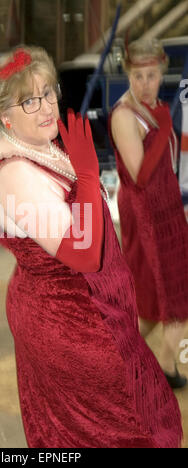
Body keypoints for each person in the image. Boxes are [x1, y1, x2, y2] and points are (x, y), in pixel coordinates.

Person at [0, 45, 183, 448]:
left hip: (84, 306)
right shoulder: (15, 175)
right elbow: (83, 252)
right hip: (68, 320)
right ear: (5, 116)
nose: (45, 107)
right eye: (29, 100)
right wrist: (90, 176)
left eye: (48, 92)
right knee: (112, 427)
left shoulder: (38, 145)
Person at [109, 39, 188, 389]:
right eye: (138, 76)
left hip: (167, 209)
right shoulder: (125, 114)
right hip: (145, 215)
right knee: (169, 295)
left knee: (158, 299)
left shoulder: (154, 107)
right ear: (128, 74)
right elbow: (140, 174)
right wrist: (162, 125)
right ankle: (161, 366)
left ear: (162, 74)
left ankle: (127, 359)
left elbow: (166, 168)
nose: (145, 84)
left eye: (152, 75)